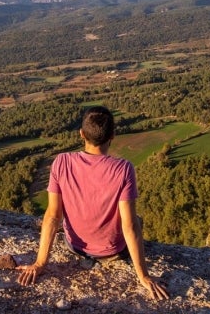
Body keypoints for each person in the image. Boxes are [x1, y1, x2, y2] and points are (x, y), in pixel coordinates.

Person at [16, 106, 168, 301]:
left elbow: (53, 216)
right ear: (112, 135)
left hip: (75, 247)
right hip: (114, 252)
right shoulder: (124, 169)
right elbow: (129, 226)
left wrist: (39, 264)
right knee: (137, 219)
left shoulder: (61, 162)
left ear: (81, 134)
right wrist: (143, 276)